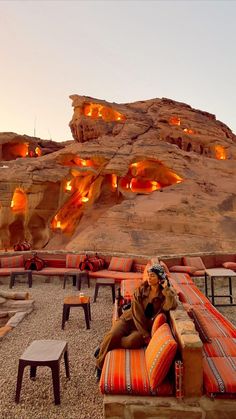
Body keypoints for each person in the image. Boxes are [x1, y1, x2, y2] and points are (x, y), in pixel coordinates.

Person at [94, 263, 178, 380]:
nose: (149, 278)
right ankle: (99, 365)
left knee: (132, 341)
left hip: (143, 326)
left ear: (160, 279)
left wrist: (167, 289)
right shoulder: (140, 290)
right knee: (113, 334)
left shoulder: (162, 295)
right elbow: (137, 313)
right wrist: (145, 335)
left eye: (153, 276)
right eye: (148, 275)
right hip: (129, 319)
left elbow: (172, 305)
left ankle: (105, 344)